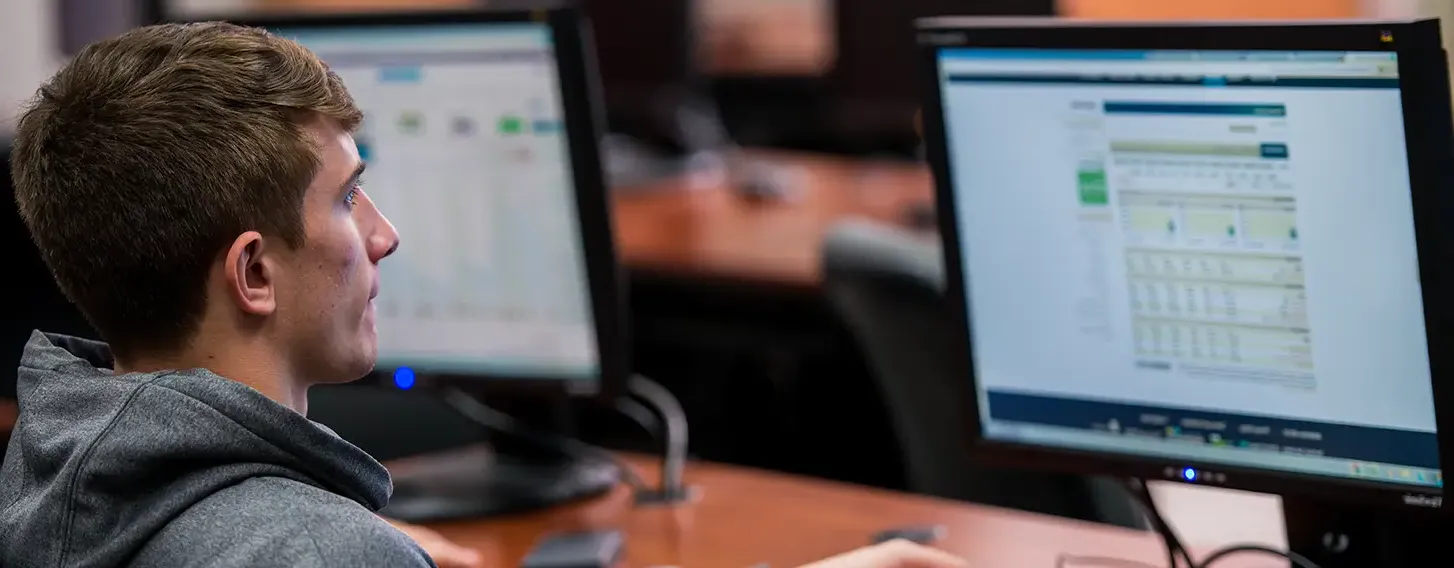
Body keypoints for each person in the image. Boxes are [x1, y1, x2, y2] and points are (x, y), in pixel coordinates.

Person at [0, 22, 967, 568]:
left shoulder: (58, 467)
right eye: (346, 197)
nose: (384, 234)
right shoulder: (311, 553)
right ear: (254, 272)